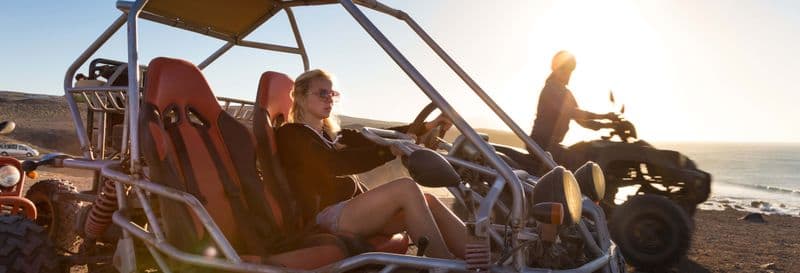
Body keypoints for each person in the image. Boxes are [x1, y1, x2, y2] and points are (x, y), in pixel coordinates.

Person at [276, 69, 465, 259]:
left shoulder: (329, 134)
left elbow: (374, 137)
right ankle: (444, 265)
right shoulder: (291, 135)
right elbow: (333, 164)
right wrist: (389, 151)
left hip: (348, 212)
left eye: (332, 93)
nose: (329, 99)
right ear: (301, 97)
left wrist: (427, 126)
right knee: (406, 188)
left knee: (429, 201)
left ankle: (478, 258)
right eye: (322, 93)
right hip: (324, 217)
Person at [530, 50, 618, 170]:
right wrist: (604, 116)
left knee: (587, 151)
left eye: (569, 69)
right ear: (554, 68)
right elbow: (572, 112)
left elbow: (583, 121)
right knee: (581, 163)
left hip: (550, 146)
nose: (567, 72)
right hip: (540, 145)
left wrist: (608, 125)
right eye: (563, 68)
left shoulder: (566, 93)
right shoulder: (551, 89)